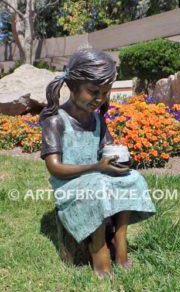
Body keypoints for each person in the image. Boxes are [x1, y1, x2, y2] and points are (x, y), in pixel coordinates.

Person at [40, 48, 156, 279]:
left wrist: (119, 158)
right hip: (69, 184)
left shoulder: (97, 119)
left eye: (105, 93)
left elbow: (106, 149)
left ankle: (119, 237)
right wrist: (96, 167)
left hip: (97, 175)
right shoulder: (55, 120)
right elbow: (54, 167)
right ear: (72, 86)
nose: (100, 99)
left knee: (133, 178)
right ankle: (98, 244)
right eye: (93, 92)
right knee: (100, 188)